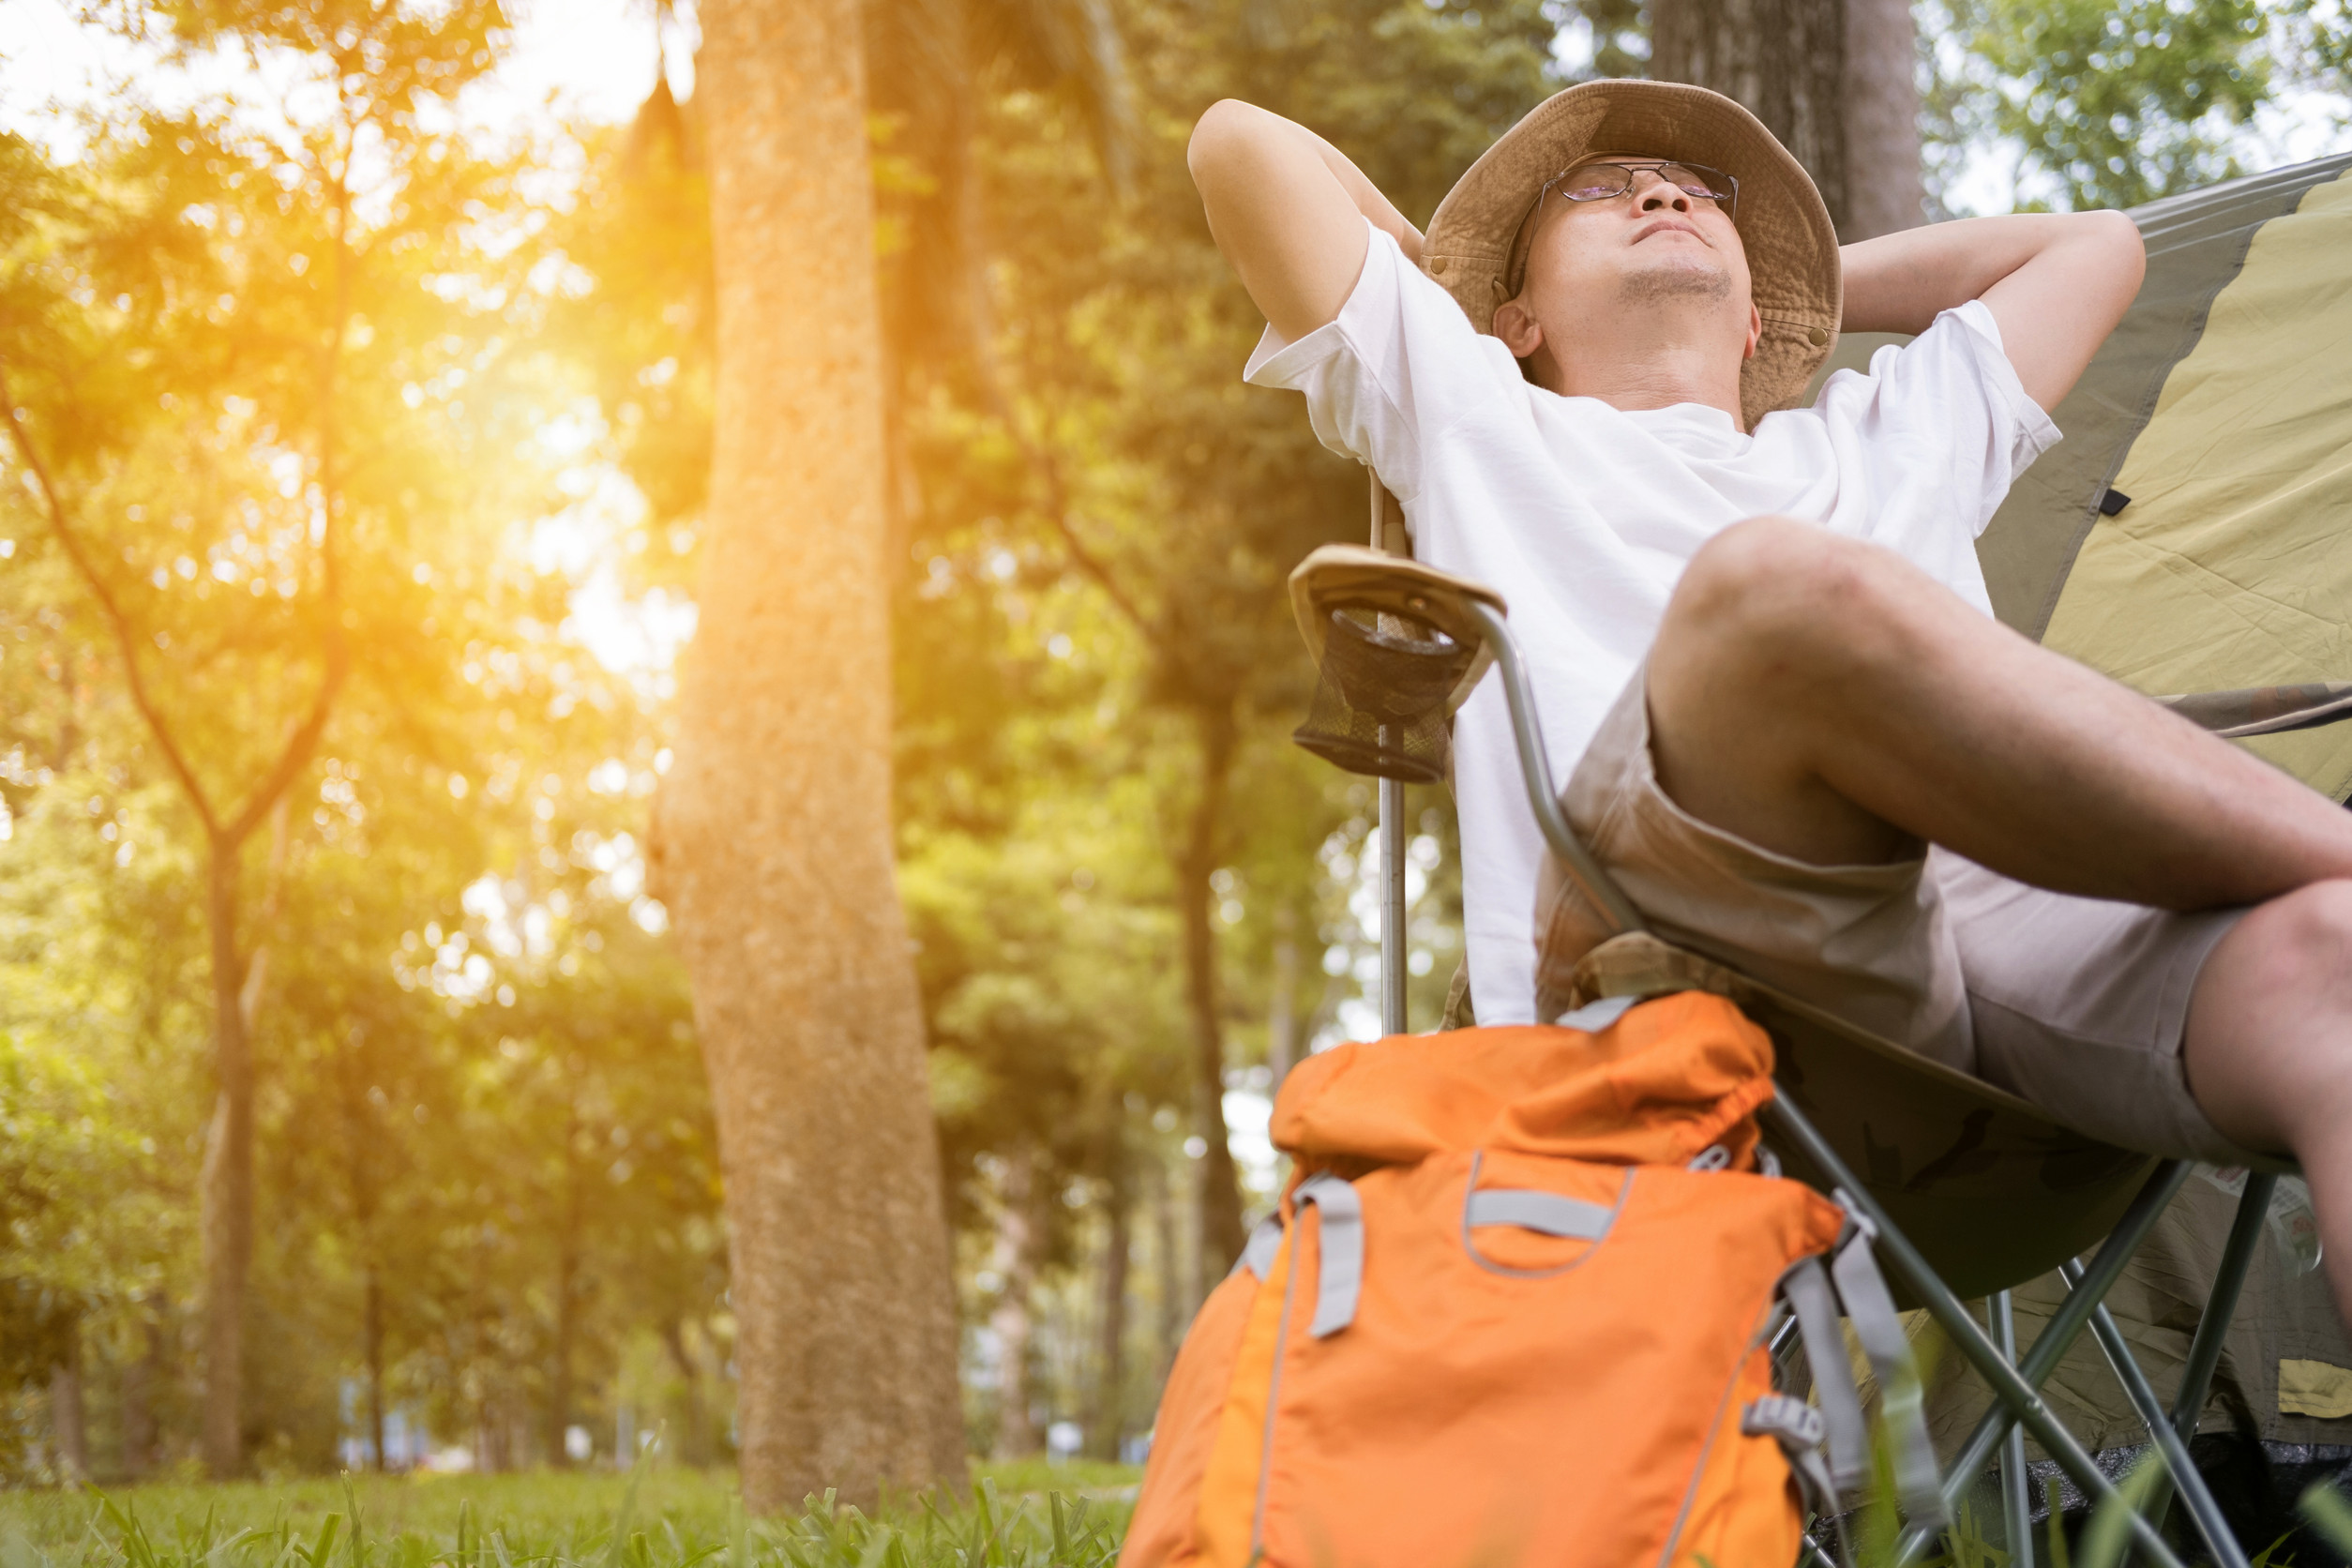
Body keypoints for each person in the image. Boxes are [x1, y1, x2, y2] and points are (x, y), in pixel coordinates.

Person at [1186, 81, 2352, 1321]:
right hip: (1655, 997)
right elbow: (1240, 146)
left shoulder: (1887, 441)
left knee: (2323, 958)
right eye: (1600, 191)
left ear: (1759, 328)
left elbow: (2093, 247)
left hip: (1988, 1019)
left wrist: (1781, 278)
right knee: (1769, 594)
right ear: (1514, 317)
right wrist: (1449, 287)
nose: (1663, 192)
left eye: (1702, 198)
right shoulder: (1473, 412)